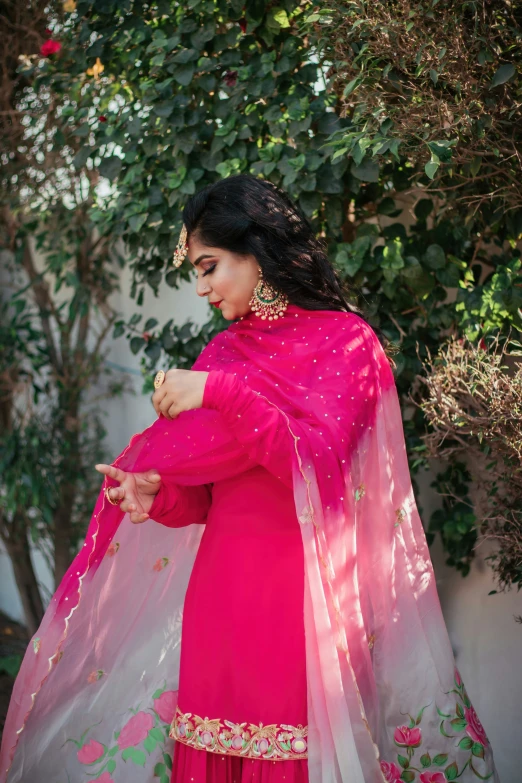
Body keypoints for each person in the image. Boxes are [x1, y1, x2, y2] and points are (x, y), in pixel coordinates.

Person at [0, 175, 499, 783]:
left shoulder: (347, 344)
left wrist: (220, 393)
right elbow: (209, 495)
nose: (203, 287)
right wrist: (158, 496)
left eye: (209, 266)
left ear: (256, 252)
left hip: (299, 612)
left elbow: (313, 466)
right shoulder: (223, 352)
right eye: (197, 271)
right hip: (217, 607)